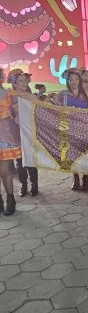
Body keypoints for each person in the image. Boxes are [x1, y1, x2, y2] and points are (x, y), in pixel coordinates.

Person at [52, 71, 88, 192]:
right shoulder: (62, 95)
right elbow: (56, 109)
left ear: (79, 80)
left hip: (84, 128)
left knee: (84, 153)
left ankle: (85, 177)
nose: (74, 82)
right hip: (69, 128)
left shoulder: (86, 94)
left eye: (76, 79)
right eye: (71, 79)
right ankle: (76, 178)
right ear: (67, 81)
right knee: (72, 154)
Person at [9, 71, 39, 198]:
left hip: (29, 131)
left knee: (30, 158)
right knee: (19, 160)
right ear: (14, 84)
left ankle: (34, 184)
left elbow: (38, 113)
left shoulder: (32, 97)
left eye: (25, 81)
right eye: (20, 81)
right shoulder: (10, 97)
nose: (24, 83)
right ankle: (23, 185)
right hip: (15, 131)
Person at [0, 68, 21, 215]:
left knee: (5, 171)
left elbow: (17, 113)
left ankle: (10, 199)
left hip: (4, 134)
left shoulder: (8, 94)